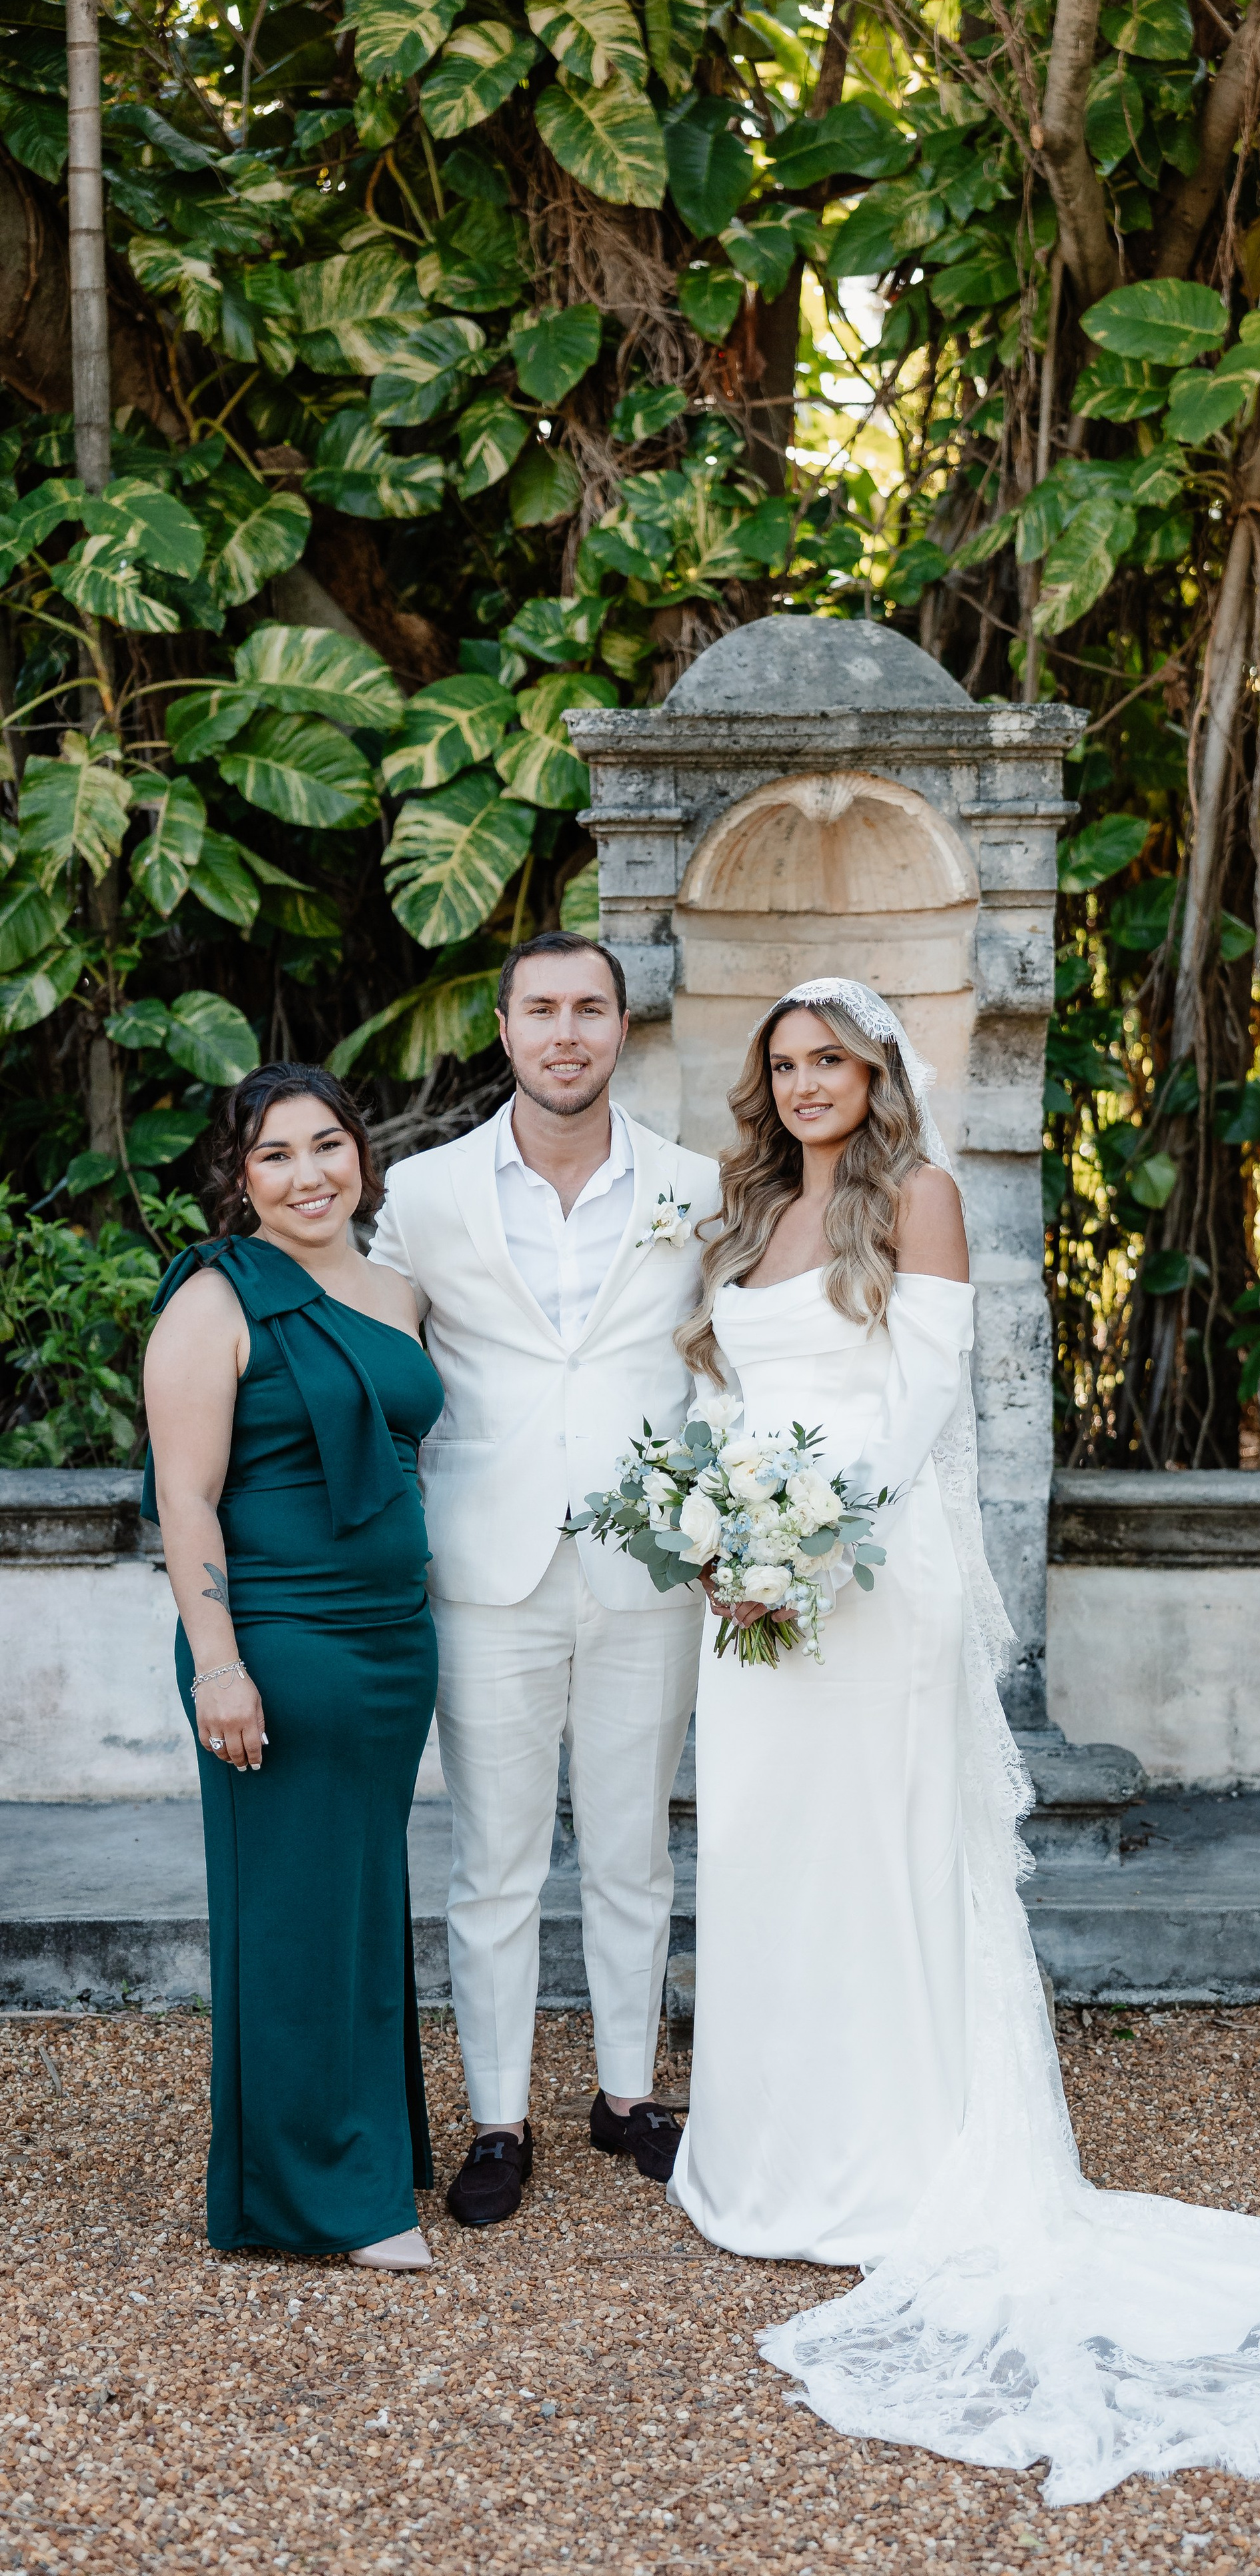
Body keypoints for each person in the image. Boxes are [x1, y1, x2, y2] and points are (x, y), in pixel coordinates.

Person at [669, 976, 1260, 2504]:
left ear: (874, 1075)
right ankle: (761, 2150)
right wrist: (717, 1531)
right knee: (768, 1858)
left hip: (862, 1579)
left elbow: (923, 1407)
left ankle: (885, 2160)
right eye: (782, 1063)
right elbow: (718, 1399)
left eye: (829, 1061)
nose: (803, 1084)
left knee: (873, 1859)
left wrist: (799, 1537)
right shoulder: (740, 1217)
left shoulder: (915, 1198)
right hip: (746, 1590)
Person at [368, 930, 720, 2223]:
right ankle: (498, 2114)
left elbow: (727, 1358)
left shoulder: (699, 1184)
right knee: (494, 1859)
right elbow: (375, 1366)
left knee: (633, 1848)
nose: (564, 1031)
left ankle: (628, 2094)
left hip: (648, 1559)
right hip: (483, 1561)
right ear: (504, 1029)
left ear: (622, 1028)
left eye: (589, 1008)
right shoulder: (423, 1193)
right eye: (540, 1009)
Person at [143, 1064, 443, 2271]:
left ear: (362, 1156)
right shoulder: (216, 1301)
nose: (310, 1172)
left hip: (391, 1639)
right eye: (277, 1154)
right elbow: (185, 1494)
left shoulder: (405, 1294)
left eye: (329, 1144)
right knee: (290, 1913)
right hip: (275, 1636)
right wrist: (219, 1665)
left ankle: (364, 2150)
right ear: (239, 1176)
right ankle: (318, 2200)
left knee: (363, 1903)